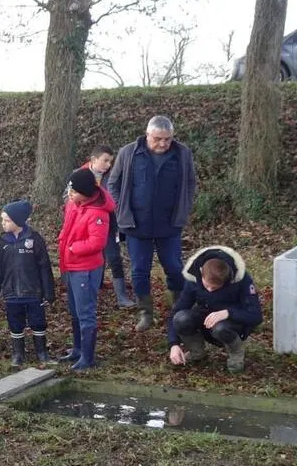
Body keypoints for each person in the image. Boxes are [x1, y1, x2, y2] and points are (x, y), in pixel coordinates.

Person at [108, 115, 197, 332]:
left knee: (175, 268)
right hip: (137, 225)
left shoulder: (182, 153)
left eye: (167, 139)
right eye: (158, 139)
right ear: (147, 134)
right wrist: (121, 209)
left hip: (170, 224)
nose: (163, 144)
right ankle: (145, 313)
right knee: (140, 270)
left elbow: (190, 183)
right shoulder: (128, 153)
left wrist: (184, 208)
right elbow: (113, 183)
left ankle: (179, 309)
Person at [167, 246, 263, 373]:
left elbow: (256, 316)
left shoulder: (242, 280)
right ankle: (197, 351)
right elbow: (176, 311)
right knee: (180, 318)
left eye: (215, 288)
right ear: (201, 273)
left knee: (220, 328)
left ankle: (236, 352)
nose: (210, 290)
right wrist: (174, 344)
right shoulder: (193, 278)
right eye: (207, 286)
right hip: (205, 316)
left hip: (231, 323)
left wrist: (228, 313)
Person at [0, 200, 56, 367]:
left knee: (38, 321)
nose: (3, 223)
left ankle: (41, 352)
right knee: (15, 323)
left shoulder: (34, 239)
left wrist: (48, 292)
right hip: (11, 293)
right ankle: (18, 353)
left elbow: (44, 267)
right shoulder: (3, 242)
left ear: (18, 221)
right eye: (2, 219)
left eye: (7, 220)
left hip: (32, 291)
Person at [57, 168, 115, 370]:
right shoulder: (73, 205)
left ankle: (88, 357)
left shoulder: (98, 213)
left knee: (85, 311)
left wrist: (73, 247)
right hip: (70, 265)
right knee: (74, 309)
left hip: (86, 268)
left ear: (85, 191)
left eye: (74, 191)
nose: (70, 194)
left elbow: (96, 243)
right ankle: (77, 349)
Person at [69, 145, 135, 309]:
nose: (108, 165)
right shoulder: (78, 175)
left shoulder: (113, 175)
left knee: (114, 257)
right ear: (93, 160)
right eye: (105, 160)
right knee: (91, 258)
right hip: (84, 224)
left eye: (110, 161)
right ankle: (90, 290)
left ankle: (121, 297)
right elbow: (68, 198)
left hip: (108, 224)